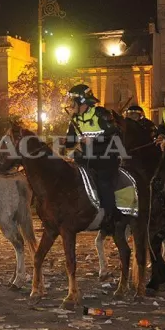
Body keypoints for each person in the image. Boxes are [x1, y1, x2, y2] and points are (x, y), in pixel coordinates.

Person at [65, 84, 123, 228]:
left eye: (73, 101)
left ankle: (109, 217)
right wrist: (64, 142)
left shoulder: (101, 113)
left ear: (83, 102)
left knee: (103, 183)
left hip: (105, 158)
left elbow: (115, 134)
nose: (70, 105)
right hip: (85, 159)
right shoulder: (74, 119)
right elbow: (70, 141)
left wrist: (94, 140)